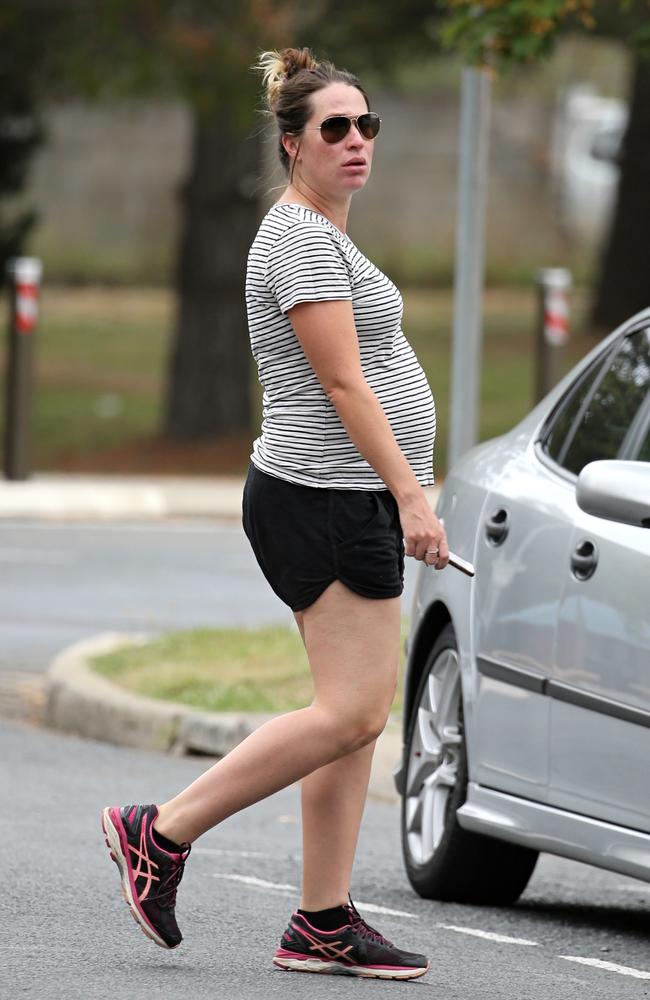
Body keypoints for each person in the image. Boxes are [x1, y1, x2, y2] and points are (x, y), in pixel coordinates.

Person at [101, 45, 448, 982]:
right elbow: (341, 381)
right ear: (293, 145)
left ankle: (322, 921)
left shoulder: (328, 235)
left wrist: (402, 487)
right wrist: (413, 493)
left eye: (366, 124)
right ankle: (160, 832)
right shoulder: (298, 239)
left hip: (347, 497)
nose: (355, 142)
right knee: (349, 710)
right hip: (320, 499)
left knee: (358, 718)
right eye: (334, 128)